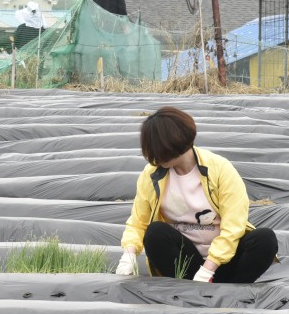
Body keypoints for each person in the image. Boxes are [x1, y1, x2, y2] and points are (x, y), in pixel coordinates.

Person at [116, 106, 278, 283]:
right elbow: (138, 221)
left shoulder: (219, 169)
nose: (154, 159)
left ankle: (231, 289)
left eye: (156, 151)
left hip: (226, 262)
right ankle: (186, 288)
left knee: (264, 240)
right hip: (186, 263)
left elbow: (234, 225)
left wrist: (209, 268)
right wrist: (129, 253)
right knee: (155, 233)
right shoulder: (152, 175)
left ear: (172, 145)